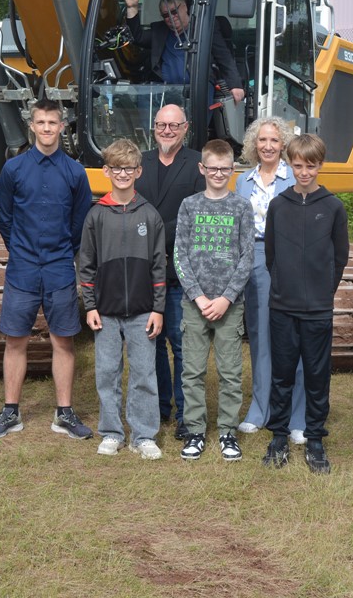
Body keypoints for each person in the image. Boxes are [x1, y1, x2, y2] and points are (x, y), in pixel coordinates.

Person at [0, 99, 94, 441]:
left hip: (60, 267)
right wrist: (21, 250)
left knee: (63, 340)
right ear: (31, 126)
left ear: (63, 127)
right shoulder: (14, 170)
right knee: (15, 340)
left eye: (53, 123)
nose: (47, 129)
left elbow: (80, 222)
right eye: (41, 123)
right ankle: (10, 411)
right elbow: (4, 218)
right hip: (23, 269)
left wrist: (63, 252)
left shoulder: (75, 172)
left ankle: (64, 412)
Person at [261, 134, 349, 474]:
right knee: (282, 375)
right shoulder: (279, 205)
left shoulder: (332, 207)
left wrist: (323, 292)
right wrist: (283, 285)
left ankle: (315, 438)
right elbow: (270, 255)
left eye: (310, 166)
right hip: (282, 307)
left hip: (317, 311)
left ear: (320, 165)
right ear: (290, 164)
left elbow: (339, 257)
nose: (304, 172)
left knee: (316, 375)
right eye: (298, 165)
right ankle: (279, 435)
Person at [78, 139, 166, 460]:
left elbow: (159, 266)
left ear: (138, 171)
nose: (123, 173)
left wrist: (158, 309)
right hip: (106, 311)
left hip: (143, 311)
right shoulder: (96, 216)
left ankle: (143, 435)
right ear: (106, 171)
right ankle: (112, 432)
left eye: (129, 168)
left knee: (144, 373)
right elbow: (86, 265)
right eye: (117, 168)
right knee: (107, 372)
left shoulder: (150, 215)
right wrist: (90, 306)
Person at [174, 139, 254, 462]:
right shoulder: (189, 206)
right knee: (192, 370)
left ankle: (227, 432)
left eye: (225, 168)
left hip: (229, 306)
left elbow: (247, 256)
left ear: (233, 169)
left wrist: (225, 298)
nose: (219, 173)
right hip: (195, 305)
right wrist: (198, 295)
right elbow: (179, 254)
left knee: (230, 371)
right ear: (202, 169)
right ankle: (194, 430)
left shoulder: (240, 207)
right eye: (213, 168)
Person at [234, 116, 308, 444]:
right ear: (254, 144)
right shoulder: (243, 181)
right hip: (253, 260)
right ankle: (260, 409)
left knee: (294, 338)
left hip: (289, 260)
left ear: (284, 145)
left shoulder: (295, 176)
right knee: (261, 337)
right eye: (262, 140)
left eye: (274, 141)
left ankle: (296, 416)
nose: (267, 146)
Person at [134, 103, 204, 441]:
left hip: (180, 269)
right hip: (143, 269)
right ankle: (159, 407)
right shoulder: (140, 163)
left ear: (185, 128)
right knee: (152, 342)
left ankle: (185, 413)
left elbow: (197, 213)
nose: (166, 131)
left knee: (180, 343)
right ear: (153, 127)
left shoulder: (197, 164)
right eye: (161, 125)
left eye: (173, 126)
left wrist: (158, 236)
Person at [122, 0, 245, 104]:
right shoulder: (160, 30)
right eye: (166, 15)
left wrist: (235, 85)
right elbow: (137, 37)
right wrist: (132, 7)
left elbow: (224, 57)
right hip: (166, 90)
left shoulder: (204, 28)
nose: (171, 17)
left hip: (197, 90)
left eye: (174, 11)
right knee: (143, 98)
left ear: (185, 7)